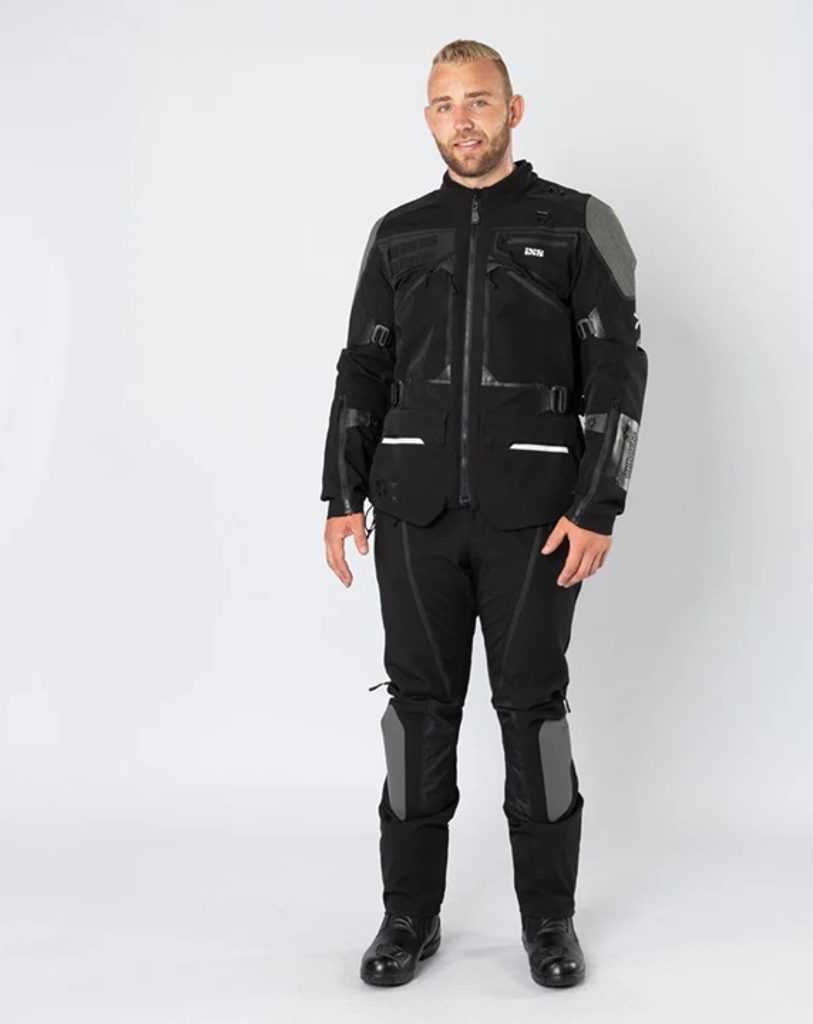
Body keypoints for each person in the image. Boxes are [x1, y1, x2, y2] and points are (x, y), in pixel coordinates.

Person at [321, 38, 648, 989]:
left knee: (533, 714)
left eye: (478, 100)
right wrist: (342, 494)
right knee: (417, 715)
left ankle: (549, 921)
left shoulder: (580, 223)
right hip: (412, 513)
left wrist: (599, 504)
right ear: (429, 118)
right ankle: (407, 917)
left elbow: (619, 372)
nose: (462, 119)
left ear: (513, 109)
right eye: (444, 104)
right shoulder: (398, 234)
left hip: (536, 519)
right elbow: (363, 369)